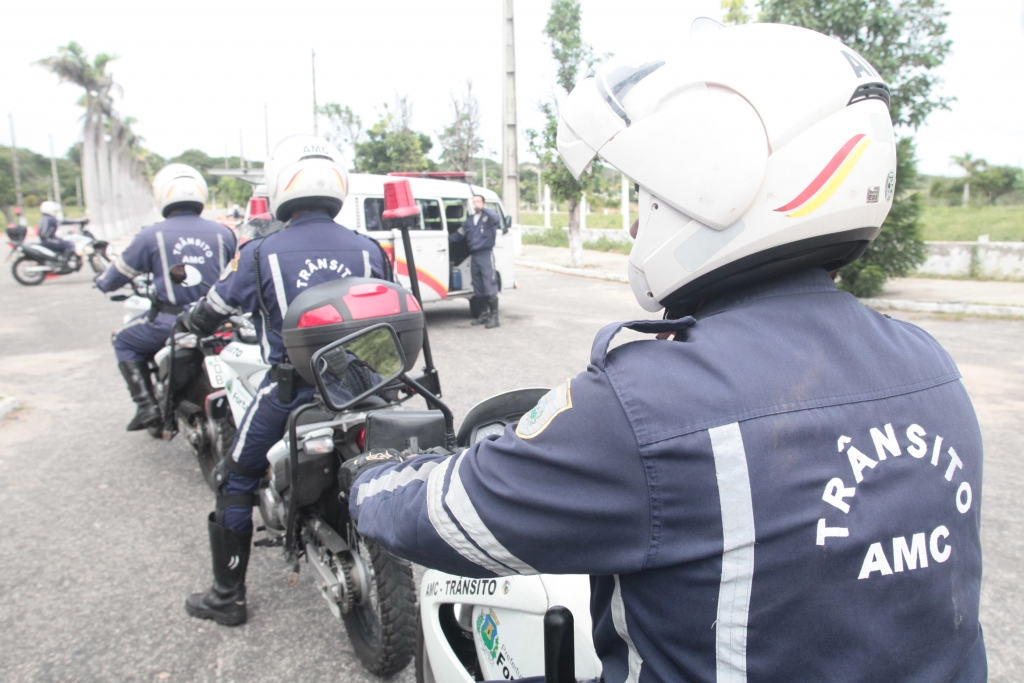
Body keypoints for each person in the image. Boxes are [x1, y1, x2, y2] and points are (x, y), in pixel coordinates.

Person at [342, 23, 985, 683]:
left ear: (720, 188)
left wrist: (370, 480)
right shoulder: (933, 366)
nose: (633, 225)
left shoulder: (649, 403)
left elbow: (450, 515)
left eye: (650, 198)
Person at [180, 135, 390, 627]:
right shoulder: (367, 249)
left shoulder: (260, 252)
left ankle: (227, 597)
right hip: (363, 388)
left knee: (234, 480)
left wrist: (191, 325)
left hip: (291, 394)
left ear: (279, 185)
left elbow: (214, 308)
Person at [95, 164, 236, 431]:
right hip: (221, 324)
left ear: (162, 194)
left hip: (171, 324)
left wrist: (102, 282)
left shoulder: (151, 235)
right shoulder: (224, 234)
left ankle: (147, 407)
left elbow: (117, 275)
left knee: (122, 339)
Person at [450, 194, 502, 328]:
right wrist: (442, 241)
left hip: (485, 254)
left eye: (478, 201)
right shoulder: (470, 220)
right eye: (473, 202)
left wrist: (484, 209)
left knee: (489, 284)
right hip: (474, 256)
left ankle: (494, 318)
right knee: (478, 286)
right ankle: (483, 315)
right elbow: (458, 235)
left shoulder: (488, 217)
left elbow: (496, 219)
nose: (475, 204)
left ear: (484, 203)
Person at [37, 200, 77, 265]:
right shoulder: (50, 218)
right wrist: (76, 221)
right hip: (48, 239)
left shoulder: (45, 218)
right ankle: (63, 263)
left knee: (63, 242)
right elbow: (62, 222)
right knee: (69, 244)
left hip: (47, 239)